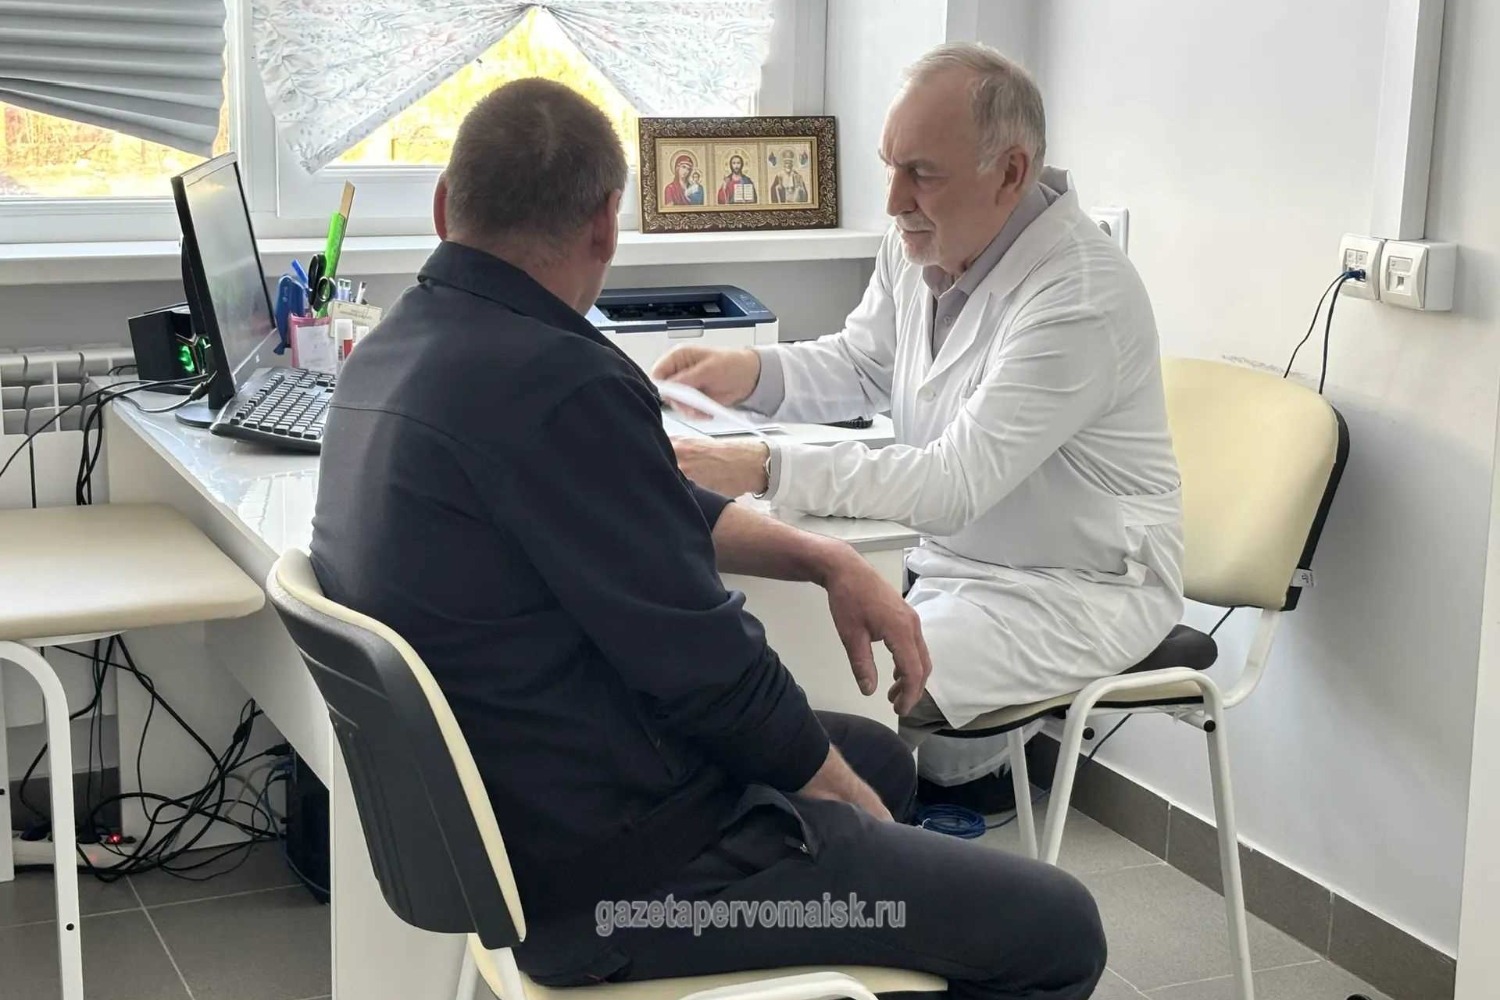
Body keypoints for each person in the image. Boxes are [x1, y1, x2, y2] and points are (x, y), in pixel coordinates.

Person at [310, 77, 1106, 1000]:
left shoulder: (391, 354)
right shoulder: (563, 382)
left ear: (446, 208)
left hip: (522, 827)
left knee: (883, 756)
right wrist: (846, 812)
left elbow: (641, 505)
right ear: (607, 226)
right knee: (1058, 927)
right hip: (625, 896)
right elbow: (714, 672)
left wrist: (822, 557)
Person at [655, 42, 1185, 811]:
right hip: (950, 565)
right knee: (766, 650)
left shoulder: (1079, 298)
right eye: (890, 166)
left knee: (824, 692)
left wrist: (763, 465)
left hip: (1072, 590)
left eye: (922, 173)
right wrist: (751, 372)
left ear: (1010, 172)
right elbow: (864, 361)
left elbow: (950, 483)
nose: (894, 198)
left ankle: (860, 870)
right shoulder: (926, 239)